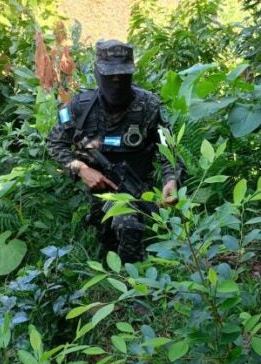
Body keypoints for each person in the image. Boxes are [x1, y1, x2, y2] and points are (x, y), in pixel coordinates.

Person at [46, 39, 180, 263]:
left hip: (136, 190)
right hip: (96, 194)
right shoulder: (79, 108)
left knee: (127, 224)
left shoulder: (149, 106)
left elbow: (170, 151)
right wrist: (81, 169)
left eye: (123, 75)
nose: (117, 80)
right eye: (110, 75)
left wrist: (170, 180)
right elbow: (54, 143)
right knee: (106, 239)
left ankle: (134, 282)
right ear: (98, 73)